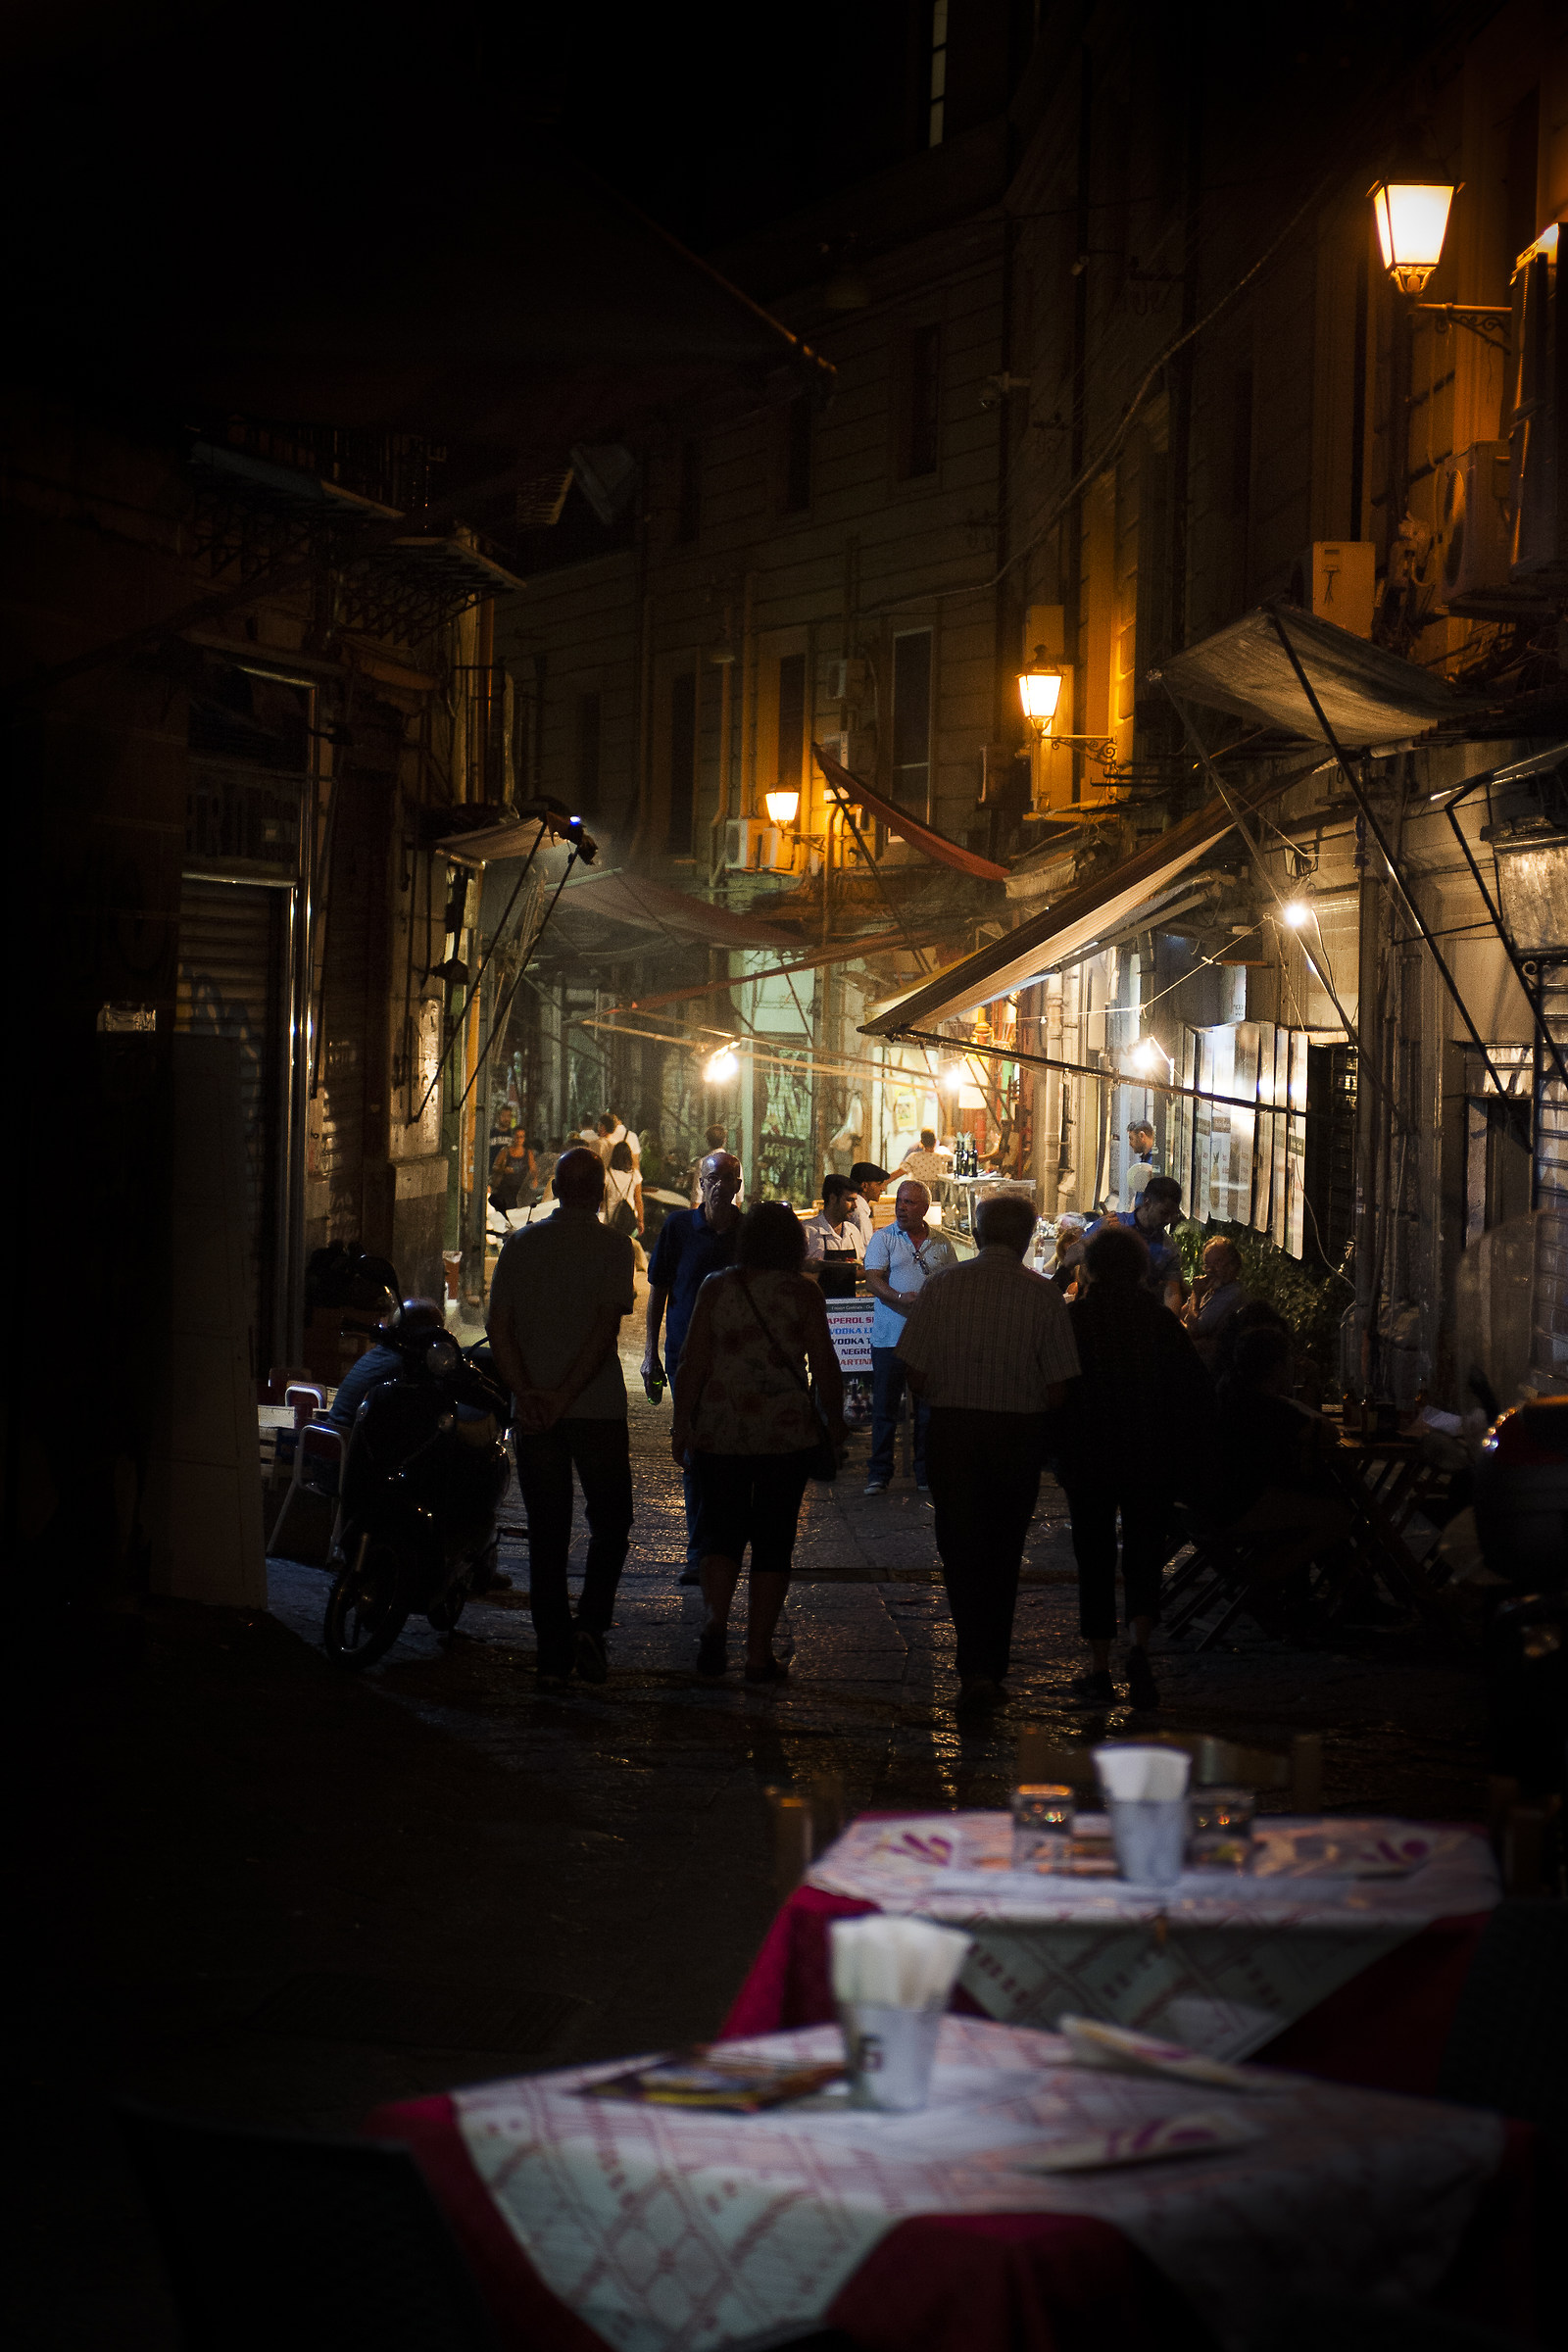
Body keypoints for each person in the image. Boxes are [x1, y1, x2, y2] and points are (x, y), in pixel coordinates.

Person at [897, 1194, 1080, 1711]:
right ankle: (988, 1664)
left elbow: (914, 1369)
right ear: (1025, 1239)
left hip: (955, 1432)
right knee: (1003, 1548)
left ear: (977, 1234)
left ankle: (970, 1657)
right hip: (1017, 1437)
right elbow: (1060, 1386)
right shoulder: (1043, 1296)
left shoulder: (942, 1287)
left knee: (959, 1545)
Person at [671, 1200, 845, 1686]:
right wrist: (833, 1419)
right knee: (773, 1543)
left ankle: (714, 1621)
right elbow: (825, 1364)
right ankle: (757, 1655)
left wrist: (681, 1424)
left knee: (719, 1533)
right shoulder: (802, 1294)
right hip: (783, 1435)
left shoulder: (716, 1287)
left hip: (720, 1431)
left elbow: (693, 1362)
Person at [486, 1148, 636, 1685]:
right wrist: (566, 1395)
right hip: (594, 1409)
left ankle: (552, 1646)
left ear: (554, 1185)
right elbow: (604, 1333)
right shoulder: (616, 1249)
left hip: (536, 1413)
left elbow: (498, 1325)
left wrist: (528, 1393)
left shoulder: (521, 1245)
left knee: (548, 1529)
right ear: (599, 1192)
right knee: (612, 1521)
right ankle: (590, 1628)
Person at [1058, 1221, 1212, 1711]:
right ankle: (1140, 1647)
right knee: (1145, 1553)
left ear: (1095, 1269)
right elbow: (1195, 1393)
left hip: (1089, 1455)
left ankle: (1100, 1665)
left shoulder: (1077, 1322)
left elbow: (1056, 1386)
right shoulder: (1161, 1324)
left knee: (1095, 1554)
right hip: (1150, 1456)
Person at [644, 1150, 744, 1582]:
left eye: (728, 1178)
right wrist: (650, 1352)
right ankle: (698, 1552)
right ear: (700, 1184)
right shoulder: (679, 1228)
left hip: (738, 1357)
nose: (720, 1185)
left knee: (732, 1453)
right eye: (713, 1178)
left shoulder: (748, 1233)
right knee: (693, 1449)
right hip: (686, 1354)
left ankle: (721, 1548)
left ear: (739, 1185)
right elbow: (658, 1291)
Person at [1212, 1324, 1353, 1588]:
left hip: (1210, 1501)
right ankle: (1259, 1580)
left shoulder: (1230, 1390)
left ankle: (1305, 1591)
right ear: (1277, 1366)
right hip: (1239, 1506)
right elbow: (1326, 1433)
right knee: (1335, 1515)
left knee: (1315, 1498)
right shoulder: (1267, 1407)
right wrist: (1301, 1391)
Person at [860, 1179, 955, 1494]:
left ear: (925, 1208)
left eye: (910, 1202)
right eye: (900, 1201)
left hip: (928, 1341)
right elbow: (873, 1281)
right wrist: (902, 1298)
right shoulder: (883, 1238)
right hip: (890, 1339)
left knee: (927, 1411)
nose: (902, 1207)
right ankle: (879, 1473)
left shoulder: (941, 1244)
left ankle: (925, 1473)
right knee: (885, 1409)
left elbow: (950, 1284)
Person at [1089, 1173, 1185, 1310]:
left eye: (1173, 1214)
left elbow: (1172, 1292)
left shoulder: (1169, 1249)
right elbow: (1073, 1257)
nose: (1169, 1220)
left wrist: (1170, 1323)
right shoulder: (1111, 1224)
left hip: (1141, 1315)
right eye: (1164, 1213)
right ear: (1147, 1202)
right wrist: (1098, 1235)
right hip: (1099, 1309)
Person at [1182, 1237, 1248, 1367]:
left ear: (1233, 1264)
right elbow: (1182, 1311)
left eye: (1217, 1263)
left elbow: (1193, 1330)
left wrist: (1196, 1295)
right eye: (1207, 1265)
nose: (1210, 1270)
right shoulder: (1211, 1288)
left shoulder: (1232, 1295)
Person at [801, 1173, 865, 1298]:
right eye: (850, 1200)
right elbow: (793, 1273)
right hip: (816, 1306)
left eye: (855, 1200)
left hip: (846, 1309)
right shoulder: (807, 1231)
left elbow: (859, 1270)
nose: (855, 1206)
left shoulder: (853, 1232)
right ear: (833, 1198)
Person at [603, 1138, 644, 1241]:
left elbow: (601, 1199)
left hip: (609, 1219)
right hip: (628, 1218)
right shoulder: (635, 1175)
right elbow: (638, 1200)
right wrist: (640, 1221)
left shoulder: (607, 1174)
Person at [489, 1123, 537, 1211]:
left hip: (521, 1189)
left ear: (524, 1138)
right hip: (506, 1189)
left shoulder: (528, 1153)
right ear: (513, 1137)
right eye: (517, 1136)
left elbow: (533, 1169)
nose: (519, 1139)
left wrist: (535, 1180)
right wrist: (504, 1170)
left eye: (522, 1137)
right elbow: (495, 1167)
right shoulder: (505, 1151)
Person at [846, 1160, 890, 1250]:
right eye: (879, 1184)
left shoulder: (860, 1209)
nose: (883, 1189)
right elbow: (867, 1248)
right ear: (864, 1186)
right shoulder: (860, 1213)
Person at [1124, 1119, 1158, 1206]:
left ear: (1141, 1135)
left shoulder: (1155, 1162)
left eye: (1131, 1139)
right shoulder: (1144, 1160)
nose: (1130, 1143)